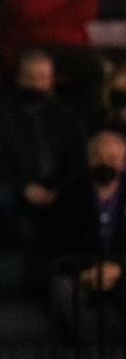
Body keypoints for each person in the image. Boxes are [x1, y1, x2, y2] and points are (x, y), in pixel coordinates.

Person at [0, 49, 85, 254]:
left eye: (42, 78)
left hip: (57, 182)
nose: (37, 84)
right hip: (16, 182)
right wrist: (24, 187)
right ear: (19, 79)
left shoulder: (66, 115)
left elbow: (76, 158)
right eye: (31, 77)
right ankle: (11, 251)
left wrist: (59, 187)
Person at [0, 0, 101, 117]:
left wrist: (44, 13)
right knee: (35, 70)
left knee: (94, 68)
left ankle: (86, 128)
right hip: (30, 46)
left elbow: (87, 10)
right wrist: (64, 10)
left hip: (71, 50)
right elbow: (25, 10)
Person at [47, 130, 126, 340]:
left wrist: (119, 269)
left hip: (120, 270)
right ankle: (92, 350)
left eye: (112, 158)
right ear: (88, 159)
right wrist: (84, 271)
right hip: (81, 271)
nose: (105, 163)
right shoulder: (70, 193)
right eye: (98, 157)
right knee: (62, 290)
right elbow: (56, 241)